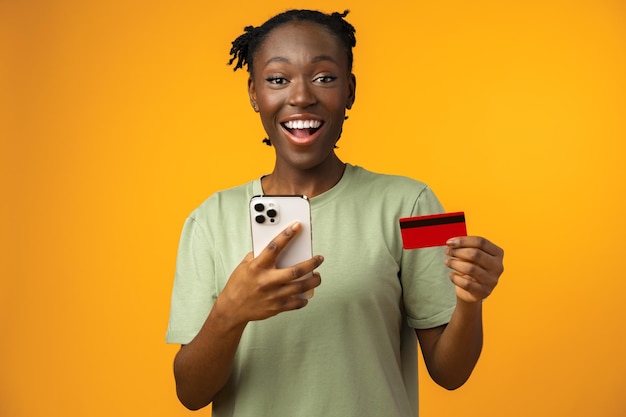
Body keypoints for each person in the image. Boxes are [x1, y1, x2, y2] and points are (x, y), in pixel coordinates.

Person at [166, 9, 504, 417]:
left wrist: (470, 301)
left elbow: (451, 373)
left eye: (324, 77)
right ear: (254, 93)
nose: (301, 96)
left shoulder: (411, 205)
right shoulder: (209, 220)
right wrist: (229, 313)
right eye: (277, 79)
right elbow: (190, 393)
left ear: (350, 90)